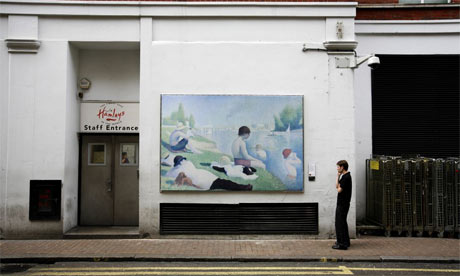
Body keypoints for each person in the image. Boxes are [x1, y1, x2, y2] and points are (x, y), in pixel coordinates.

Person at [166, 156, 253, 191]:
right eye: (182, 160)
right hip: (203, 179)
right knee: (224, 183)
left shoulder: (177, 170)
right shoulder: (187, 164)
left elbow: (170, 174)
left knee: (224, 183)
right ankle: (244, 187)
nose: (183, 161)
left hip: (203, 177)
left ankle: (243, 187)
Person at [333, 160, 352, 250]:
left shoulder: (346, 177)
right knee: (342, 223)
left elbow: (339, 190)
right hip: (343, 203)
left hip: (343, 204)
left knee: (339, 223)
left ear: (342, 167)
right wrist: (338, 176)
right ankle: (346, 242)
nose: (337, 168)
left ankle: (341, 244)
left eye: (338, 167)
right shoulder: (344, 176)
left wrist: (339, 184)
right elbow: (337, 186)